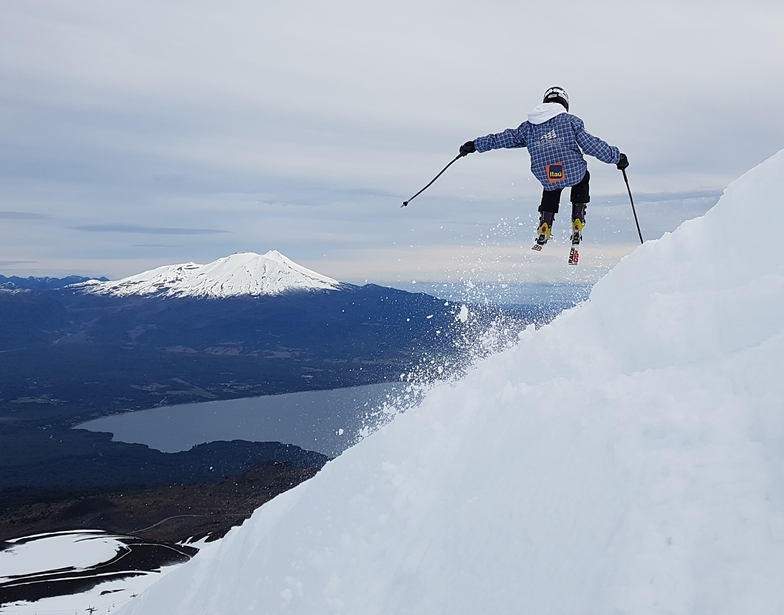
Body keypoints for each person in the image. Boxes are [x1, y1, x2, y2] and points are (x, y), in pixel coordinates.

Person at [459, 86, 628, 258]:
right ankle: (578, 220)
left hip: (547, 174)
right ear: (564, 103)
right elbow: (592, 145)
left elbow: (504, 138)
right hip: (573, 169)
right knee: (582, 179)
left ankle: (545, 225)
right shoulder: (571, 121)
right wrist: (616, 157)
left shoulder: (529, 127)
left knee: (551, 188)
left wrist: (475, 144)